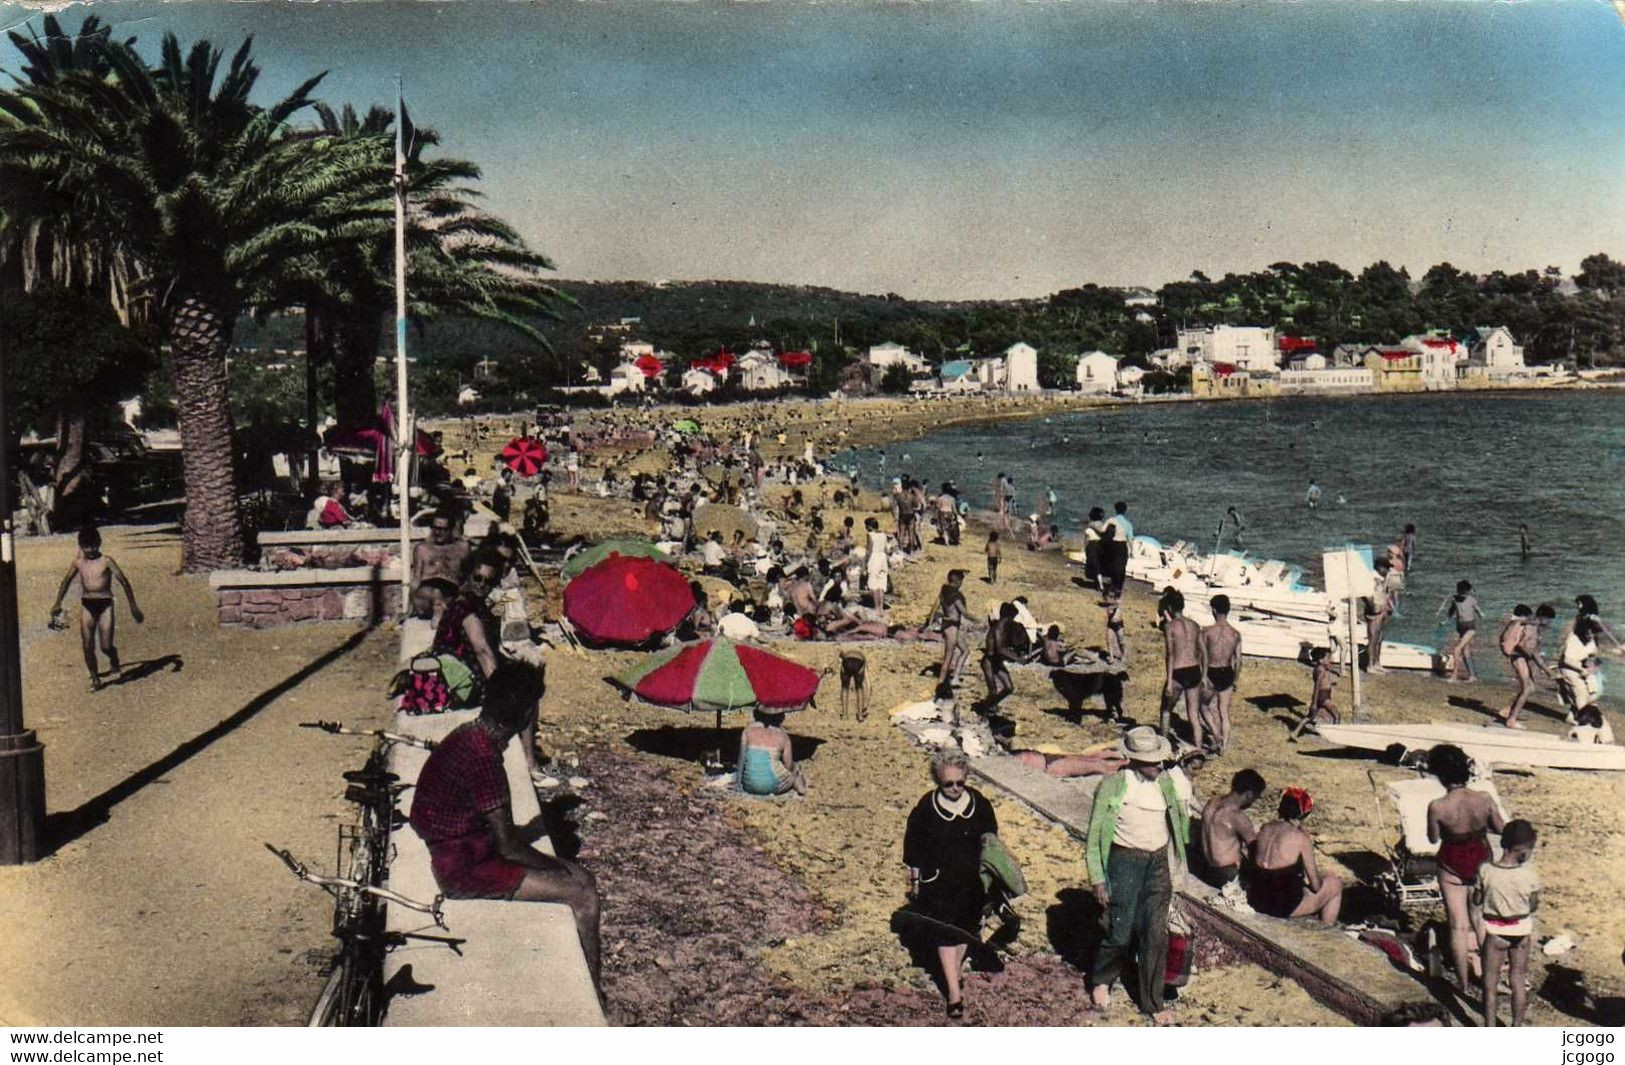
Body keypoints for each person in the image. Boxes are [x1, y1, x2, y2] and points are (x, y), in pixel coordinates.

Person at [408, 662, 601, 993]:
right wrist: (560, 867)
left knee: (575, 877)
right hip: (462, 870)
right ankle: (595, 994)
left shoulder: (466, 735)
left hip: (451, 852)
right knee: (583, 890)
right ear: (525, 714)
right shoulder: (485, 758)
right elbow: (508, 845)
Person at [1085, 726, 1189, 1024]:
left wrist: (1178, 865)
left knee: (1156, 932)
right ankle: (1103, 978)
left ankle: (1153, 1002)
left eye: (1160, 760)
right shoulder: (1115, 785)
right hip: (1124, 861)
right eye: (1152, 761)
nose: (1159, 765)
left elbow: (1178, 823)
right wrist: (1098, 878)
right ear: (1133, 760)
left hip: (1157, 862)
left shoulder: (1166, 783)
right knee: (1120, 930)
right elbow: (1094, 837)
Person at [903, 747, 998, 1018]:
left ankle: (952, 975)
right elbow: (913, 848)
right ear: (937, 780)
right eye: (948, 784)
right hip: (939, 882)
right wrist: (915, 881)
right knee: (946, 933)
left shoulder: (979, 804)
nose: (955, 789)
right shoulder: (926, 808)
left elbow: (992, 843)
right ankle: (954, 995)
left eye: (960, 783)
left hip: (971, 882)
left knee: (966, 930)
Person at [1426, 743, 1505, 994]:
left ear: (1439, 774)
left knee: (1458, 926)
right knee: (1481, 921)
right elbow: (1503, 829)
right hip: (1480, 860)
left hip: (1451, 863)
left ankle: (1462, 984)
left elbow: (1433, 838)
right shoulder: (1484, 799)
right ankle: (1490, 980)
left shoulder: (1438, 806)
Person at [48, 525, 143, 692]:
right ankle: (95, 678)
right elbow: (65, 582)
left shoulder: (106, 561)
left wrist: (133, 607)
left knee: (105, 646)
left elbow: (124, 582)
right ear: (80, 546)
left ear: (99, 543)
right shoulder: (78, 562)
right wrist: (57, 603)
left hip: (105, 604)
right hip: (87, 605)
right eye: (86, 546)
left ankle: (113, 657)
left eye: (93, 545)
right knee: (87, 646)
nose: (90, 550)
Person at [1247, 788, 1343, 925]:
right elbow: (1315, 886)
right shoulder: (1300, 838)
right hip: (1280, 907)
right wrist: (1322, 879)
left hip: (1256, 899)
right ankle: (1325, 931)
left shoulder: (1266, 828)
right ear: (1303, 814)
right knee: (1335, 884)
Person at [1477, 820, 1539, 1027]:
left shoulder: (1486, 870)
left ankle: (1490, 1026)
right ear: (1523, 850)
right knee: (1518, 979)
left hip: (1495, 932)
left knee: (1490, 982)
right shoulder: (1528, 874)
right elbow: (1533, 904)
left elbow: (1477, 900)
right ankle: (1517, 1026)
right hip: (1521, 930)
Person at [1200, 768, 1264, 894]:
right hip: (1226, 875)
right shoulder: (1238, 817)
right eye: (1255, 798)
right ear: (1249, 794)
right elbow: (1255, 853)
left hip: (1206, 868)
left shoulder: (1211, 803)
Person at [1158, 589, 1204, 746]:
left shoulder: (1170, 627)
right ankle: (1198, 750)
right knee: (1194, 715)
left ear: (1170, 608)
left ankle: (1163, 746)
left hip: (1178, 671)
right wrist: (1203, 674)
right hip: (1194, 670)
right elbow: (1201, 652)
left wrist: (1169, 681)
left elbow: (1170, 654)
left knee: (1165, 710)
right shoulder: (1195, 625)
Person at [1199, 594, 1242, 755]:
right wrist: (1235, 679)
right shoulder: (1235, 634)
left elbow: (1202, 657)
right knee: (1224, 711)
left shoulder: (1207, 631)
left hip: (1211, 671)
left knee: (1202, 706)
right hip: (1227, 672)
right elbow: (1238, 660)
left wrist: (1203, 676)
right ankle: (1224, 747)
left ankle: (1216, 735)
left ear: (1214, 610)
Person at [1498, 605, 1553, 728]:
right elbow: (1526, 648)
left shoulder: (1531, 624)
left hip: (1520, 657)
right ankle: (1512, 719)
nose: (1549, 624)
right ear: (1543, 617)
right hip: (1518, 657)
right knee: (1527, 688)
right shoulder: (1531, 626)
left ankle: (1510, 711)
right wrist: (1544, 668)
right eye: (1549, 620)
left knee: (1530, 687)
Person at [737, 708, 807, 796]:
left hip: (749, 785)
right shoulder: (783, 736)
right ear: (780, 717)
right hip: (773, 785)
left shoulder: (747, 730)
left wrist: (738, 782)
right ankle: (802, 788)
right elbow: (788, 766)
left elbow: (741, 760)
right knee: (796, 771)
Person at [925, 570, 970, 683]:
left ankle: (955, 677)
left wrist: (929, 623)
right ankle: (941, 682)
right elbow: (964, 613)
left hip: (947, 625)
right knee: (948, 657)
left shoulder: (944, 592)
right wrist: (978, 620)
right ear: (958, 581)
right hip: (952, 627)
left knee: (965, 650)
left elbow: (934, 608)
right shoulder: (955, 596)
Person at [1290, 647, 1341, 739]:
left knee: (1310, 717)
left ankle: (1295, 733)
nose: (1331, 660)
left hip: (1323, 695)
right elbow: (1317, 687)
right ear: (1321, 660)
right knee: (1336, 715)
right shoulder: (1320, 670)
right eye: (1328, 658)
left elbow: (1325, 682)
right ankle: (1334, 736)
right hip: (1323, 696)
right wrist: (1314, 702)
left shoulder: (1322, 668)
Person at [411, 512, 470, 590]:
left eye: (443, 529)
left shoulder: (462, 548)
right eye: (435, 528)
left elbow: (467, 576)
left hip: (452, 595)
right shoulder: (422, 549)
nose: (438, 532)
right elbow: (416, 578)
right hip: (427, 596)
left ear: (451, 529)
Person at [979, 603, 1021, 712]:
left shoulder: (1003, 628)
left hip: (996, 662)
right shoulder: (998, 629)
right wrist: (1018, 659)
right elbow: (1000, 649)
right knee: (993, 691)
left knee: (1009, 688)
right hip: (989, 662)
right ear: (1007, 617)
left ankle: (990, 705)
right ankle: (986, 711)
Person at [1439, 580, 1481, 682]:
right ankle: (1472, 676)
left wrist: (1481, 614)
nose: (1459, 593)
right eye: (1458, 591)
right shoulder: (1455, 600)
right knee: (1465, 651)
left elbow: (1478, 610)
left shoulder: (1472, 600)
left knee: (1457, 650)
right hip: (1461, 628)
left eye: (1462, 591)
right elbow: (1451, 612)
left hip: (1470, 628)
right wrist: (1445, 621)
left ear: (1466, 591)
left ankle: (1454, 676)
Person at [1365, 559, 1393, 672]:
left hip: (1382, 610)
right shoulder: (1371, 577)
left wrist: (1389, 605)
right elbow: (1366, 594)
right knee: (1373, 638)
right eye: (1386, 568)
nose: (1388, 570)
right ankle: (1370, 665)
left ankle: (1377, 662)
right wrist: (1372, 606)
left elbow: (1385, 593)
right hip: (1374, 611)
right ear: (1380, 567)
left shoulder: (1383, 578)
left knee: (1380, 638)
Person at [864, 517, 890, 612]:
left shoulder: (870, 535)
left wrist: (865, 564)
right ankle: (882, 608)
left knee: (874, 584)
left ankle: (876, 607)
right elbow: (886, 550)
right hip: (882, 558)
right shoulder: (883, 534)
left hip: (874, 558)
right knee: (881, 584)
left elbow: (869, 550)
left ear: (869, 526)